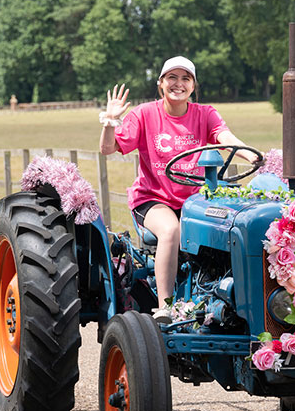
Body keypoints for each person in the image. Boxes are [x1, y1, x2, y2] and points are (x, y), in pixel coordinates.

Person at [99, 56, 261, 324]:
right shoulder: (145, 114)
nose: (178, 84)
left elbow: (225, 138)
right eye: (172, 77)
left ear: (193, 86)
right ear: (161, 83)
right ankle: (165, 305)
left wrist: (254, 157)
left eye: (185, 78)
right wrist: (109, 121)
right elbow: (108, 148)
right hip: (153, 198)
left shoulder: (205, 113)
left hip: (194, 200)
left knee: (233, 225)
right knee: (171, 229)